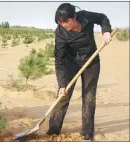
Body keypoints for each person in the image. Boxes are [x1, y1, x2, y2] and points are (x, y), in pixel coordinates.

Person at [46, 3, 112, 140]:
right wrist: (62, 84)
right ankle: (53, 129)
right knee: (63, 95)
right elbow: (59, 60)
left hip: (91, 62)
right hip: (71, 63)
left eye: (65, 21)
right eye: (60, 22)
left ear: (74, 16)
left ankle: (87, 132)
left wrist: (106, 31)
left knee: (89, 96)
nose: (63, 24)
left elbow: (102, 18)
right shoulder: (60, 32)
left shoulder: (86, 17)